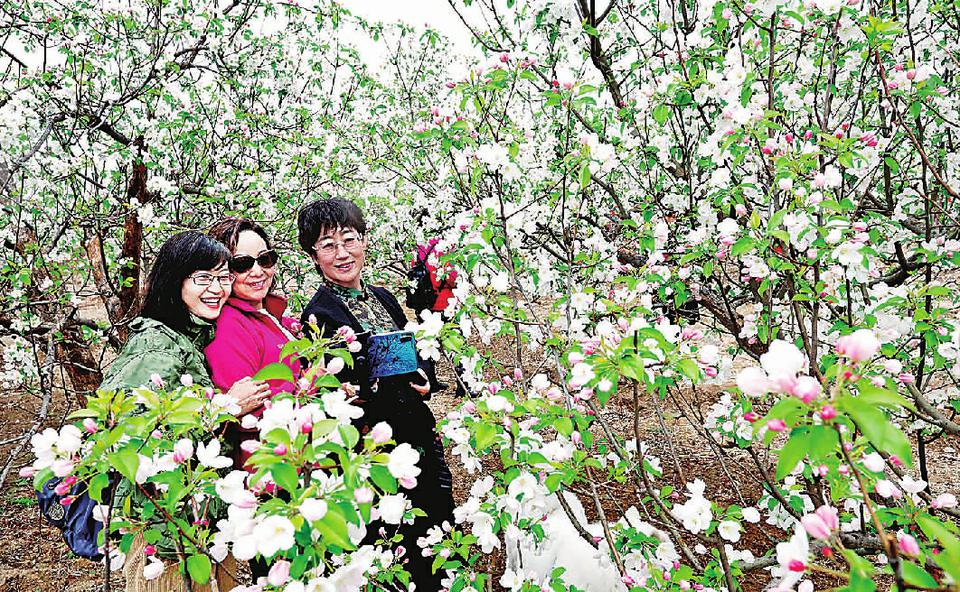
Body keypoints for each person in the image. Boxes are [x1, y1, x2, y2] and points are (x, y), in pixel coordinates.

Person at [298, 198, 454, 592]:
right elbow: (336, 386)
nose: (342, 253)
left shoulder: (383, 296)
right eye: (328, 245)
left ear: (364, 241)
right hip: (376, 448)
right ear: (313, 255)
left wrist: (426, 378)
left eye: (349, 239)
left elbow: (416, 350)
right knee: (399, 545)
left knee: (440, 531)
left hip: (419, 432)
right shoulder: (319, 314)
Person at [100, 231, 268, 592]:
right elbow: (135, 442)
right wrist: (225, 407)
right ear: (175, 281)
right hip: (165, 537)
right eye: (202, 278)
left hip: (199, 524)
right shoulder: (155, 347)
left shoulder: (191, 337)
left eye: (223, 277)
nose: (217, 288)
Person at [205, 217, 302, 467]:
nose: (257, 271)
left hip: (302, 457)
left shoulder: (276, 316)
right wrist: (312, 382)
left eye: (265, 259)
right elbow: (248, 411)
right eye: (242, 264)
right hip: (271, 467)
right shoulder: (230, 326)